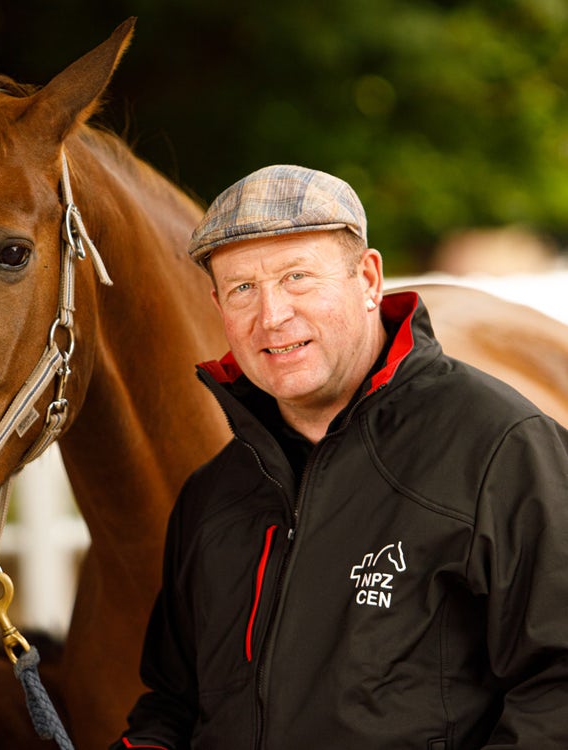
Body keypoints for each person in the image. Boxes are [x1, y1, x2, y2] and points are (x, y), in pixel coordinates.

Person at [111, 165, 568, 749]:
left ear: (369, 278)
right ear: (217, 304)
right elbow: (172, 705)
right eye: (242, 288)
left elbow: (559, 685)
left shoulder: (500, 447)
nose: (271, 315)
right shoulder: (212, 496)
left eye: (297, 277)